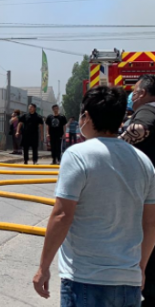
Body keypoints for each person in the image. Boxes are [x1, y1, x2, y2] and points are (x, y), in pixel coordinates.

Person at [33, 86, 155, 307]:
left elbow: (61, 215)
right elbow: (150, 223)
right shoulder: (143, 161)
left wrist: (43, 268)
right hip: (129, 281)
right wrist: (141, 268)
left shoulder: (77, 155)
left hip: (86, 280)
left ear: (86, 116)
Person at [120, 74, 155, 305]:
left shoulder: (148, 109)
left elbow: (141, 128)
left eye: (134, 91)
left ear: (141, 93)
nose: (132, 96)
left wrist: (115, 144)